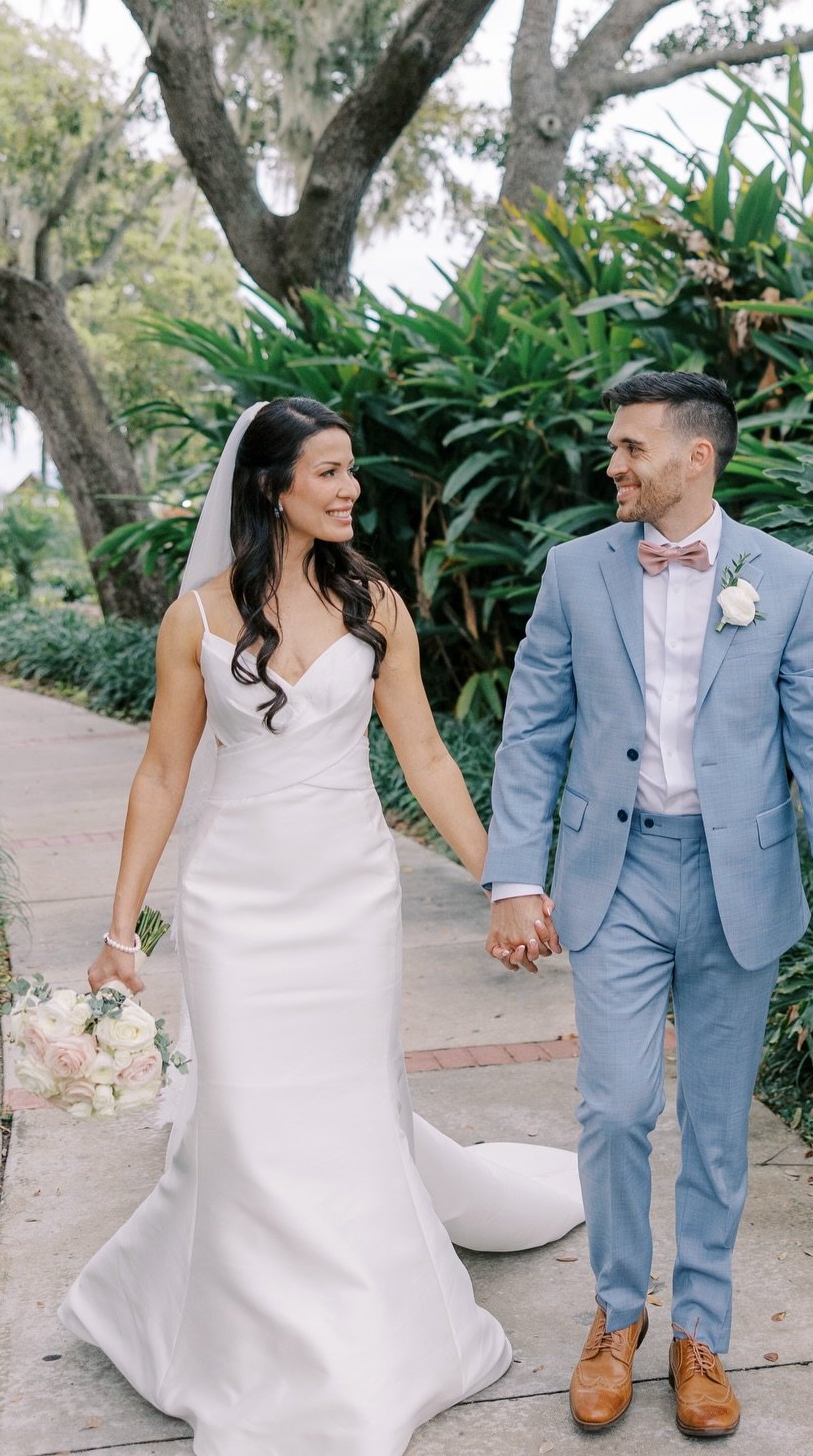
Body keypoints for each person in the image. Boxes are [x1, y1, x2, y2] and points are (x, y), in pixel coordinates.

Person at [59, 397, 582, 1456]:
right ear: (273, 485)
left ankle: (367, 1343)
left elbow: (426, 757)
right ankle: (250, 1349)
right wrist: (122, 929)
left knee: (344, 1111)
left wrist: (505, 878)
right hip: (235, 902)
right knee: (248, 1123)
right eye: (332, 470)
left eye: (353, 472)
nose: (351, 489)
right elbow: (162, 774)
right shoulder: (196, 620)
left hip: (349, 895)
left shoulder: (375, 602)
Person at [483, 370, 813, 1440]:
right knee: (613, 1109)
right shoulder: (573, 572)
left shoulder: (786, 579)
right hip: (619, 872)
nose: (612, 464)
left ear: (696, 457)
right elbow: (534, 731)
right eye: (613, 446)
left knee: (713, 1124)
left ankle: (701, 1328)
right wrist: (516, 874)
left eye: (629, 447)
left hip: (740, 879)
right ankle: (617, 1314)